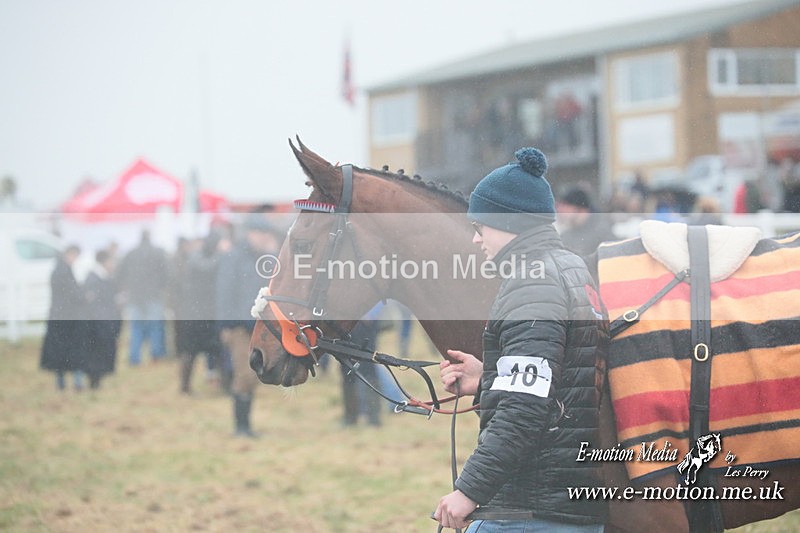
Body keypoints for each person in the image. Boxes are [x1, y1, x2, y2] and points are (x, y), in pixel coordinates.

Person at [434, 147, 608, 532]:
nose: (476, 240)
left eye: (480, 227)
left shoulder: (532, 281)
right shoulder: (569, 267)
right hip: (570, 500)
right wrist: (487, 380)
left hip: (534, 506)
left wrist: (468, 492)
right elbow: (559, 387)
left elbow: (525, 410)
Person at [216, 213, 282, 437]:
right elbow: (224, 292)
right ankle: (241, 428)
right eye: (262, 233)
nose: (265, 238)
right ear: (251, 234)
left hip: (259, 327)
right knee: (245, 375)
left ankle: (245, 426)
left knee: (252, 374)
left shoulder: (264, 257)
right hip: (240, 327)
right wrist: (225, 325)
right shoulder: (234, 257)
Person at [180, 231, 224, 395]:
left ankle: (186, 387)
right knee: (195, 353)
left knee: (211, 351)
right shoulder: (201, 258)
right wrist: (222, 255)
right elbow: (207, 268)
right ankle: (186, 388)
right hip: (201, 314)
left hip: (201, 313)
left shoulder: (196, 257)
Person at [40, 244, 88, 390]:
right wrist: (84, 296)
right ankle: (77, 382)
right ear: (70, 253)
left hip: (59, 316)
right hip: (68, 317)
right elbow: (72, 293)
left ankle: (61, 382)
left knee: (60, 351)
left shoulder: (58, 269)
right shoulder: (64, 271)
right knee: (74, 349)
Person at [117, 230, 169, 365]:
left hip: (135, 296)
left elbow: (120, 273)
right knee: (155, 326)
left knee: (136, 327)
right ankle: (156, 355)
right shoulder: (158, 252)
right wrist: (161, 287)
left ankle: (135, 357)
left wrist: (126, 287)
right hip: (153, 295)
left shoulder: (130, 253)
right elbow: (166, 274)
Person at [83, 249, 122, 389]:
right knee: (96, 352)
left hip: (106, 322)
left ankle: (98, 380)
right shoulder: (93, 278)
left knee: (103, 351)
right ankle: (94, 381)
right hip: (98, 323)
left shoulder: (106, 277)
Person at [556, 187, 618, 257]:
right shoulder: (565, 235)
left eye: (565, 206)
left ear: (578, 208)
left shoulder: (602, 232)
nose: (559, 211)